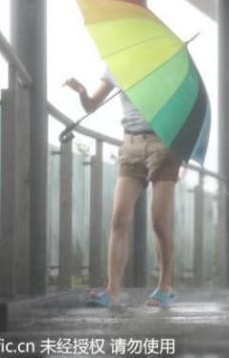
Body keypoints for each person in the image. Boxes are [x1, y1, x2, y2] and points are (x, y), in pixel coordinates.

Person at [64, 72, 182, 309]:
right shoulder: (118, 66)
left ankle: (165, 285)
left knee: (159, 222)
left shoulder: (166, 66)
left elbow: (178, 110)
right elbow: (91, 105)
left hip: (163, 144)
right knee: (119, 219)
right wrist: (82, 92)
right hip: (130, 146)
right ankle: (112, 290)